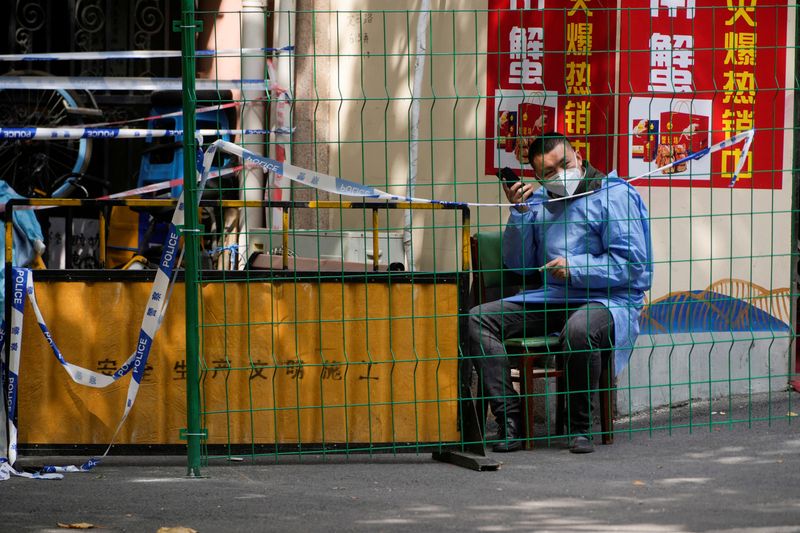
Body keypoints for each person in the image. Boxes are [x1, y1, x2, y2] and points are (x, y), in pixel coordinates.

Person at [469, 132, 652, 453]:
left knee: (580, 329)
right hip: (554, 296)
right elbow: (520, 265)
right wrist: (521, 213)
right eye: (548, 173)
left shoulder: (614, 195)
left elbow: (633, 267)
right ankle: (510, 420)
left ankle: (580, 426)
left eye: (564, 164)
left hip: (608, 299)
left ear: (578, 158)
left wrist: (576, 267)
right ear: (538, 176)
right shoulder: (541, 201)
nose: (559, 175)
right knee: (478, 319)